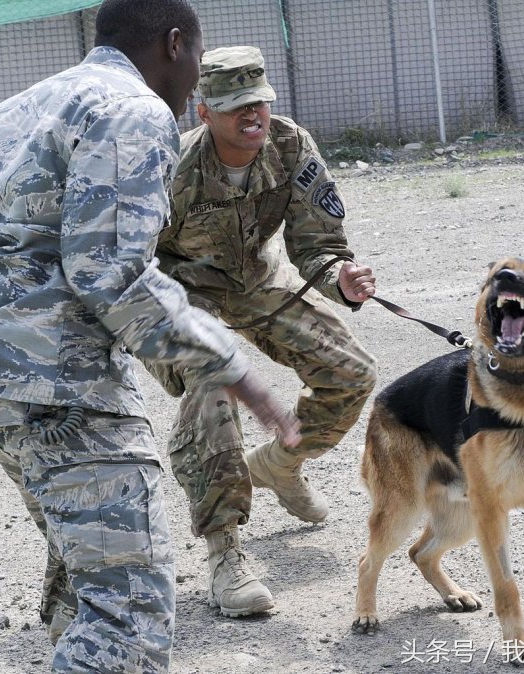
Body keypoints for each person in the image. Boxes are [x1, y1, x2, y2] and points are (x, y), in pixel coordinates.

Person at [0, 6, 299, 673]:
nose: (195, 81)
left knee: (84, 571)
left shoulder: (15, 110)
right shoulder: (133, 112)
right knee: (125, 621)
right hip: (66, 398)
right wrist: (228, 364)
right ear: (175, 43)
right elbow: (111, 275)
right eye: (197, 58)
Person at [154, 45, 378, 618]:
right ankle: (225, 548)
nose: (252, 116)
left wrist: (340, 278)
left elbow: (318, 245)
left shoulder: (290, 144)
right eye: (234, 107)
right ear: (203, 113)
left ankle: (278, 465)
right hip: (184, 294)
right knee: (213, 379)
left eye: (258, 102)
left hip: (256, 279)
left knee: (351, 373)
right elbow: (133, 260)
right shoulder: (171, 169)